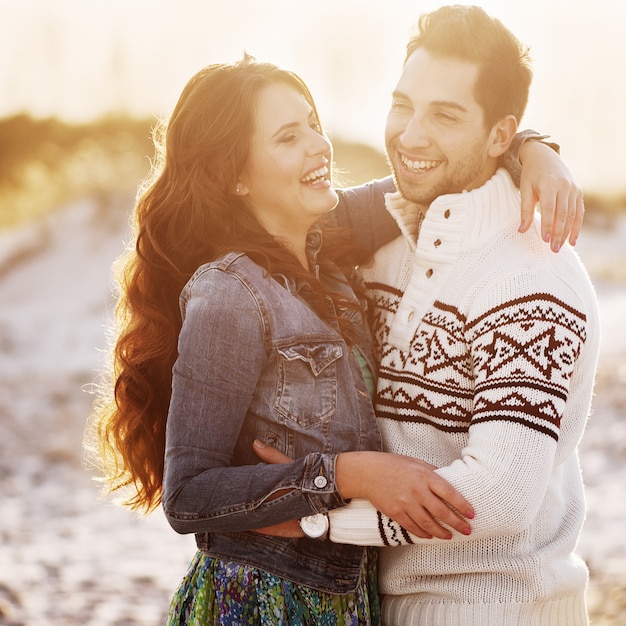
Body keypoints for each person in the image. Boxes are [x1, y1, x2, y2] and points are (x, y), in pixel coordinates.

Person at [85, 52, 584, 626]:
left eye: (314, 125)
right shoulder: (229, 294)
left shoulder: (329, 242)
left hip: (352, 600)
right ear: (235, 176)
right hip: (260, 601)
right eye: (288, 137)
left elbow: (440, 171)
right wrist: (345, 473)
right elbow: (189, 496)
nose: (319, 147)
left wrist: (532, 150)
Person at [256, 6, 600, 625]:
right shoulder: (383, 248)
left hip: (500, 609)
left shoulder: (533, 275)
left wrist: (320, 517)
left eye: (445, 115)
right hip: (381, 603)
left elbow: (499, 493)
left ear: (499, 135)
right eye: (403, 104)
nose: (410, 135)